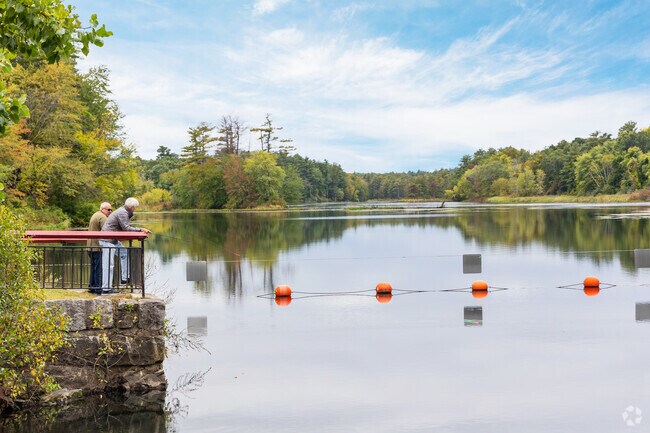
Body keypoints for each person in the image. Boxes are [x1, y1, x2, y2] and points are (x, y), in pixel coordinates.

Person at [99, 197, 151, 294]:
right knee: (108, 265)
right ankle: (106, 289)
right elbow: (126, 228)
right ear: (131, 207)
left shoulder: (124, 212)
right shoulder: (122, 212)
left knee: (124, 253)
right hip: (107, 240)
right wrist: (140, 230)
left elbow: (123, 228)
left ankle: (124, 278)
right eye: (135, 208)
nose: (135, 209)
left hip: (113, 240)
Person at [87, 202, 112, 293]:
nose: (110, 211)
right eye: (108, 209)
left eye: (111, 210)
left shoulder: (95, 215)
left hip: (90, 246)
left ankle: (92, 287)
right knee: (99, 268)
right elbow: (107, 231)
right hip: (97, 246)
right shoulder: (102, 217)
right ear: (103, 209)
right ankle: (98, 288)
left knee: (94, 267)